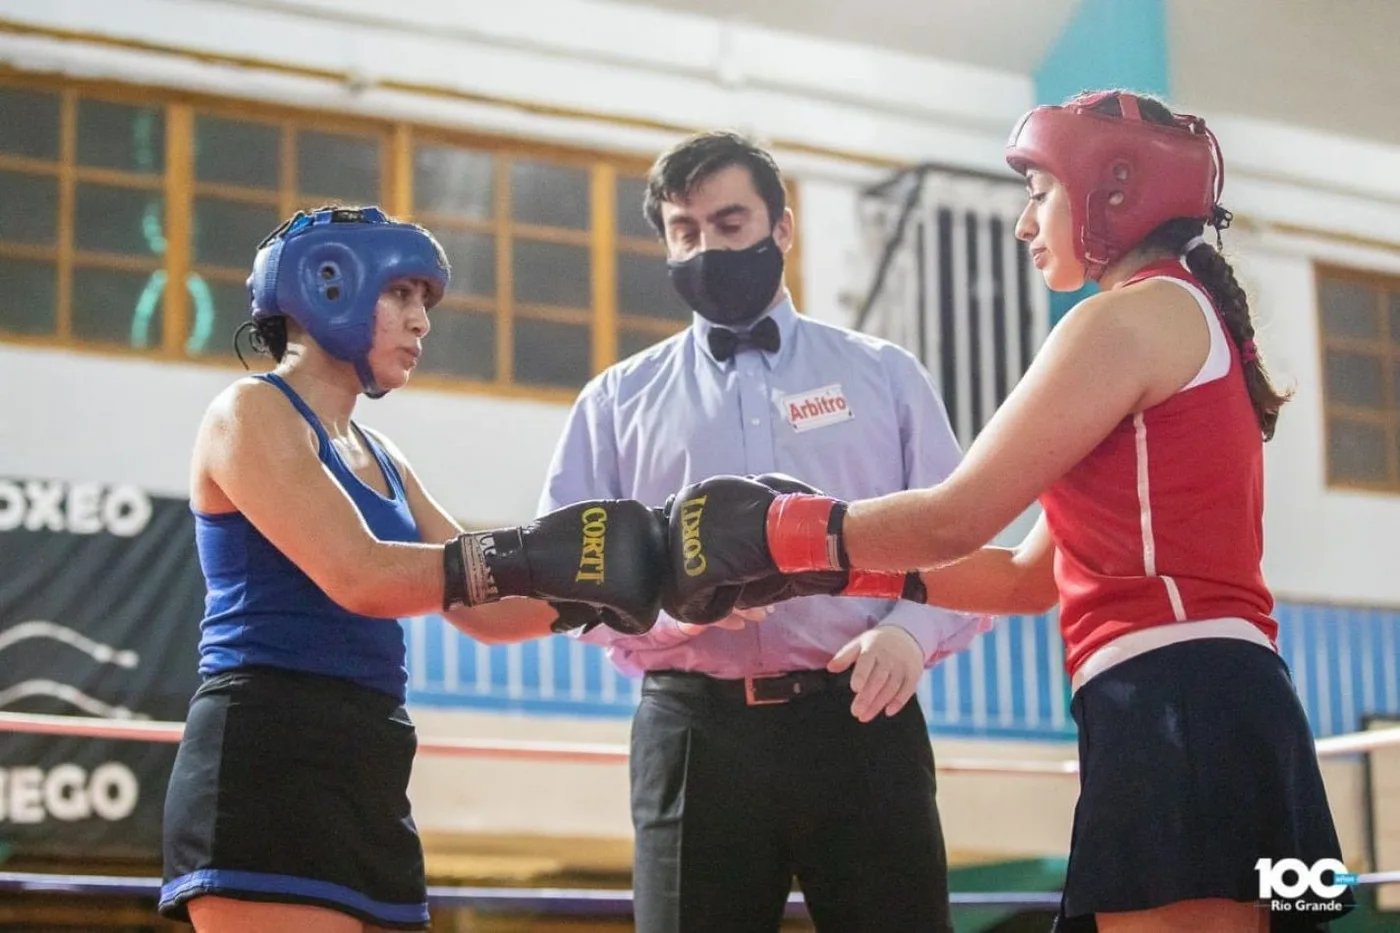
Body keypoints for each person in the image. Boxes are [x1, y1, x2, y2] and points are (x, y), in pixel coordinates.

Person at [663, 93, 1354, 932]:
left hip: (1180, 699)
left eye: (1039, 193)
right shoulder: (1172, 314)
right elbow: (1027, 579)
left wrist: (781, 530)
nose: (1026, 225)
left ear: (1112, 190)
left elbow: (957, 514)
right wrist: (806, 566)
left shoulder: (1125, 319)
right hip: (1203, 696)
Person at [157, 205, 668, 933]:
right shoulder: (249, 412)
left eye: (423, 301)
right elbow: (361, 574)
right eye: (402, 294)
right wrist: (548, 557)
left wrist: (632, 583)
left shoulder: (386, 457)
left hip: (371, 758)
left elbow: (485, 606)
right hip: (269, 752)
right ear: (328, 283)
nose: (421, 321)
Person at [534, 131, 986, 933]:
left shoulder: (886, 377)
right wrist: (681, 609)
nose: (706, 245)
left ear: (783, 227)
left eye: (730, 222)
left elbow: (961, 546)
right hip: (694, 732)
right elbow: (569, 583)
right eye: (685, 230)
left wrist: (912, 635)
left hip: (862, 719)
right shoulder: (613, 403)